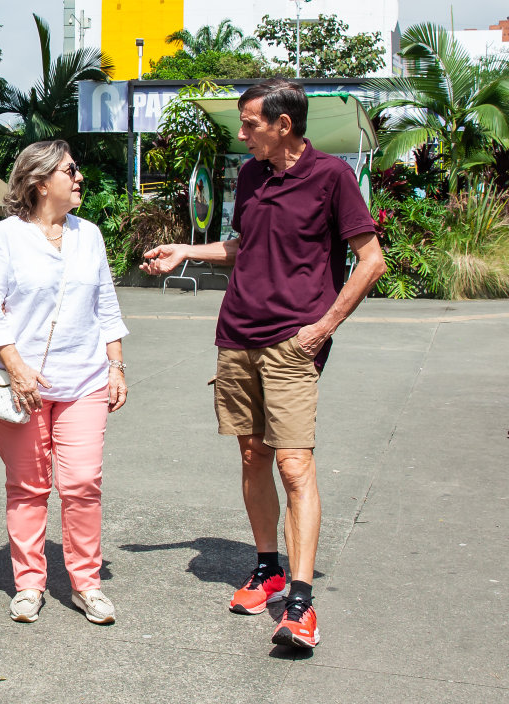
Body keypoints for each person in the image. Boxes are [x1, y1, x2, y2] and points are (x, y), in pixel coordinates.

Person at [142, 79, 385, 650]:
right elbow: (243, 245)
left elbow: (371, 261)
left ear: (284, 125)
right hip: (237, 336)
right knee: (253, 455)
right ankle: (268, 568)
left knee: (295, 466)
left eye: (251, 123)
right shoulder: (252, 175)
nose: (243, 132)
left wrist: (322, 328)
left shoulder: (332, 176)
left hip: (292, 341)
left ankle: (300, 603)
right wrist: (187, 250)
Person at [0, 140, 128, 625]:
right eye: (70, 170)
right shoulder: (5, 237)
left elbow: (106, 304)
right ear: (41, 183)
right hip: (22, 384)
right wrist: (16, 367)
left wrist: (116, 364)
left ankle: (86, 583)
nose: (79, 177)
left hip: (85, 380)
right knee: (28, 486)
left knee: (82, 483)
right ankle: (29, 584)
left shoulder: (89, 235)